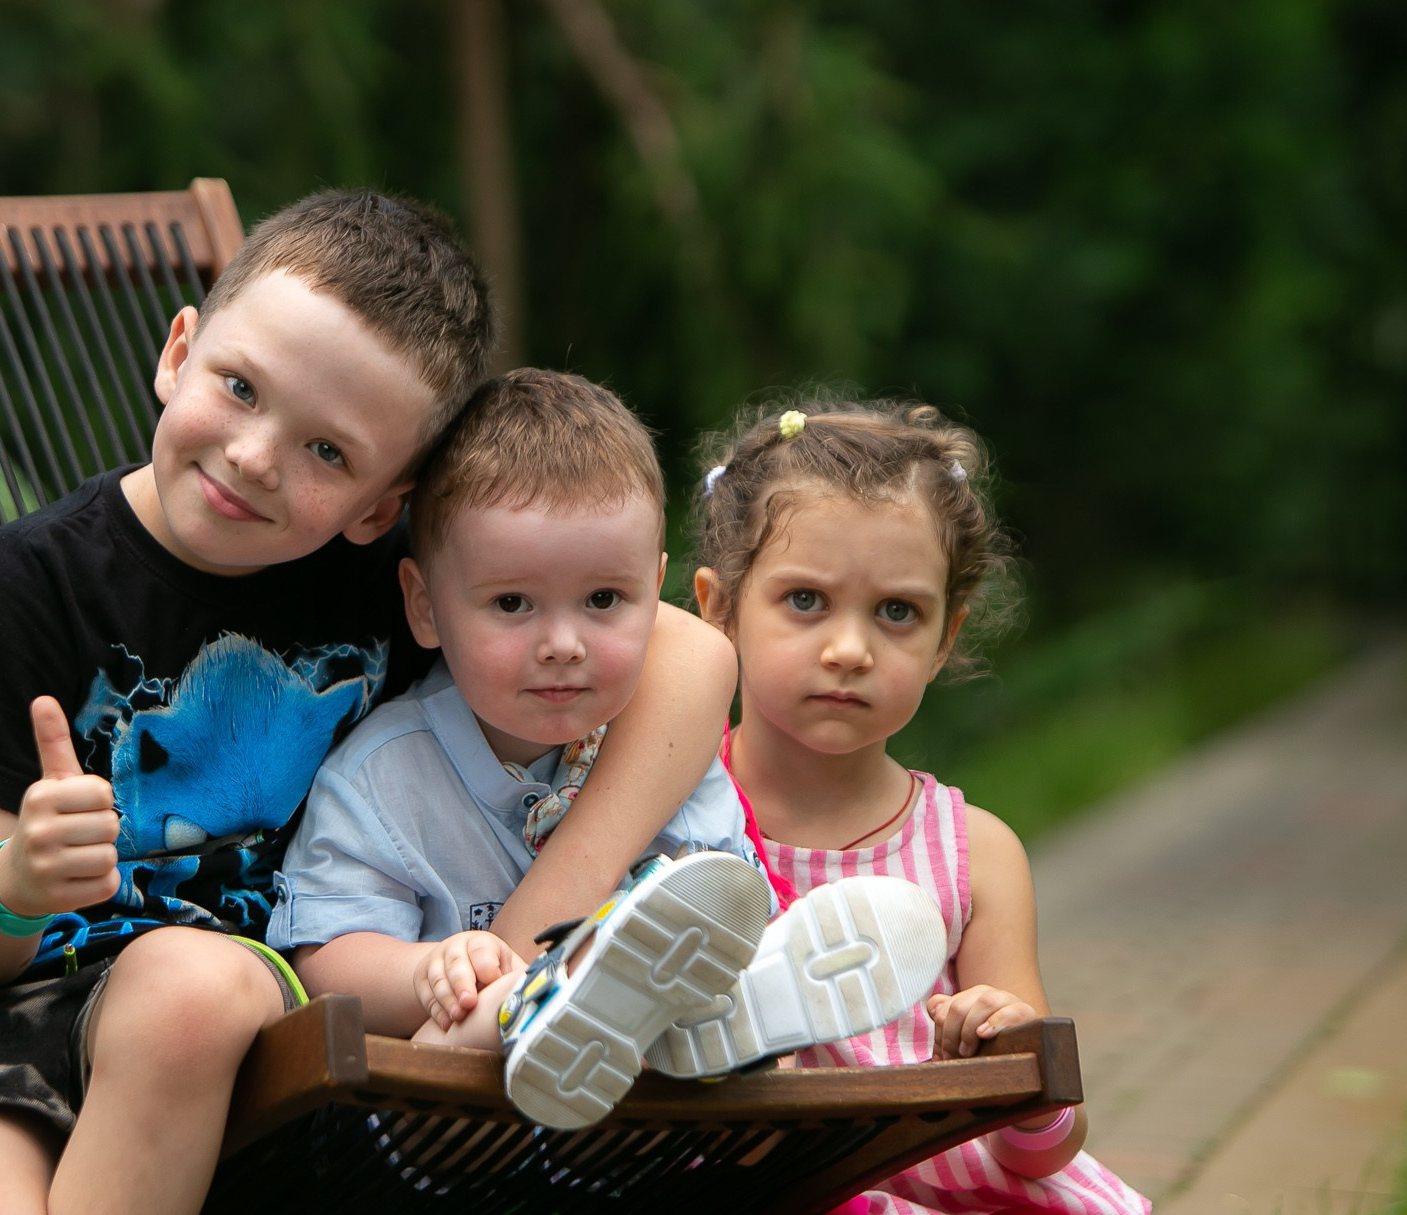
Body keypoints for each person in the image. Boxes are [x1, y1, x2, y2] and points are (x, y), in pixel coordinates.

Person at [0, 193, 743, 1215]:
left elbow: (697, 657)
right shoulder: (23, 587)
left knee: (188, 985)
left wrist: (522, 952)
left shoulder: (375, 582)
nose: (256, 459)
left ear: (380, 512)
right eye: (239, 388)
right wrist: (11, 883)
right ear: (177, 353)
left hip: (238, 1026)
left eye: (326, 452)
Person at [268, 369, 948, 1129]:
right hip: (451, 1127)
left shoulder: (666, 754)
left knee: (717, 974)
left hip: (644, 1134)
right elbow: (323, 961)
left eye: (603, 601)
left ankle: (713, 1021)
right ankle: (570, 1004)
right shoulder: (381, 778)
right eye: (512, 603)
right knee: (495, 1001)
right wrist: (427, 969)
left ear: (654, 593)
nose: (563, 645)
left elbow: (722, 894)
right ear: (425, 605)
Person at [687, 400, 1209, 1215]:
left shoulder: (976, 853)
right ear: (717, 606)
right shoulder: (671, 813)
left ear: (946, 636)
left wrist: (1015, 1063)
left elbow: (1046, 1134)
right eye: (805, 600)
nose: (850, 648)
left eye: (897, 612)